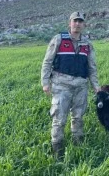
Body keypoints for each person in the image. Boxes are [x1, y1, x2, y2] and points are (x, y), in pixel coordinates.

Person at [41, 11, 100, 159]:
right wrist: (45, 82)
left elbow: (92, 67)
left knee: (78, 117)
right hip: (62, 85)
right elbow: (47, 61)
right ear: (70, 23)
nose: (78, 24)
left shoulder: (87, 44)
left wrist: (95, 85)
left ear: (84, 25)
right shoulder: (59, 39)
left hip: (81, 85)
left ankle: (78, 144)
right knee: (59, 119)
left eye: (80, 21)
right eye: (75, 21)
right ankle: (57, 150)